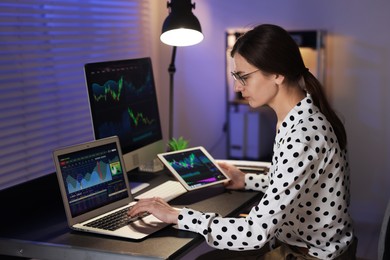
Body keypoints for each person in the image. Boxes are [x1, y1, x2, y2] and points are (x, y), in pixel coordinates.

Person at [128, 24, 356, 259]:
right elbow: (291, 184)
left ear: (277, 74)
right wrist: (246, 180)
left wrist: (177, 215)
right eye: (236, 77)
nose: (238, 87)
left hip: (309, 255)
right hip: (299, 246)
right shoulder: (299, 116)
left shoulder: (302, 135)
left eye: (244, 77)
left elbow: (254, 233)